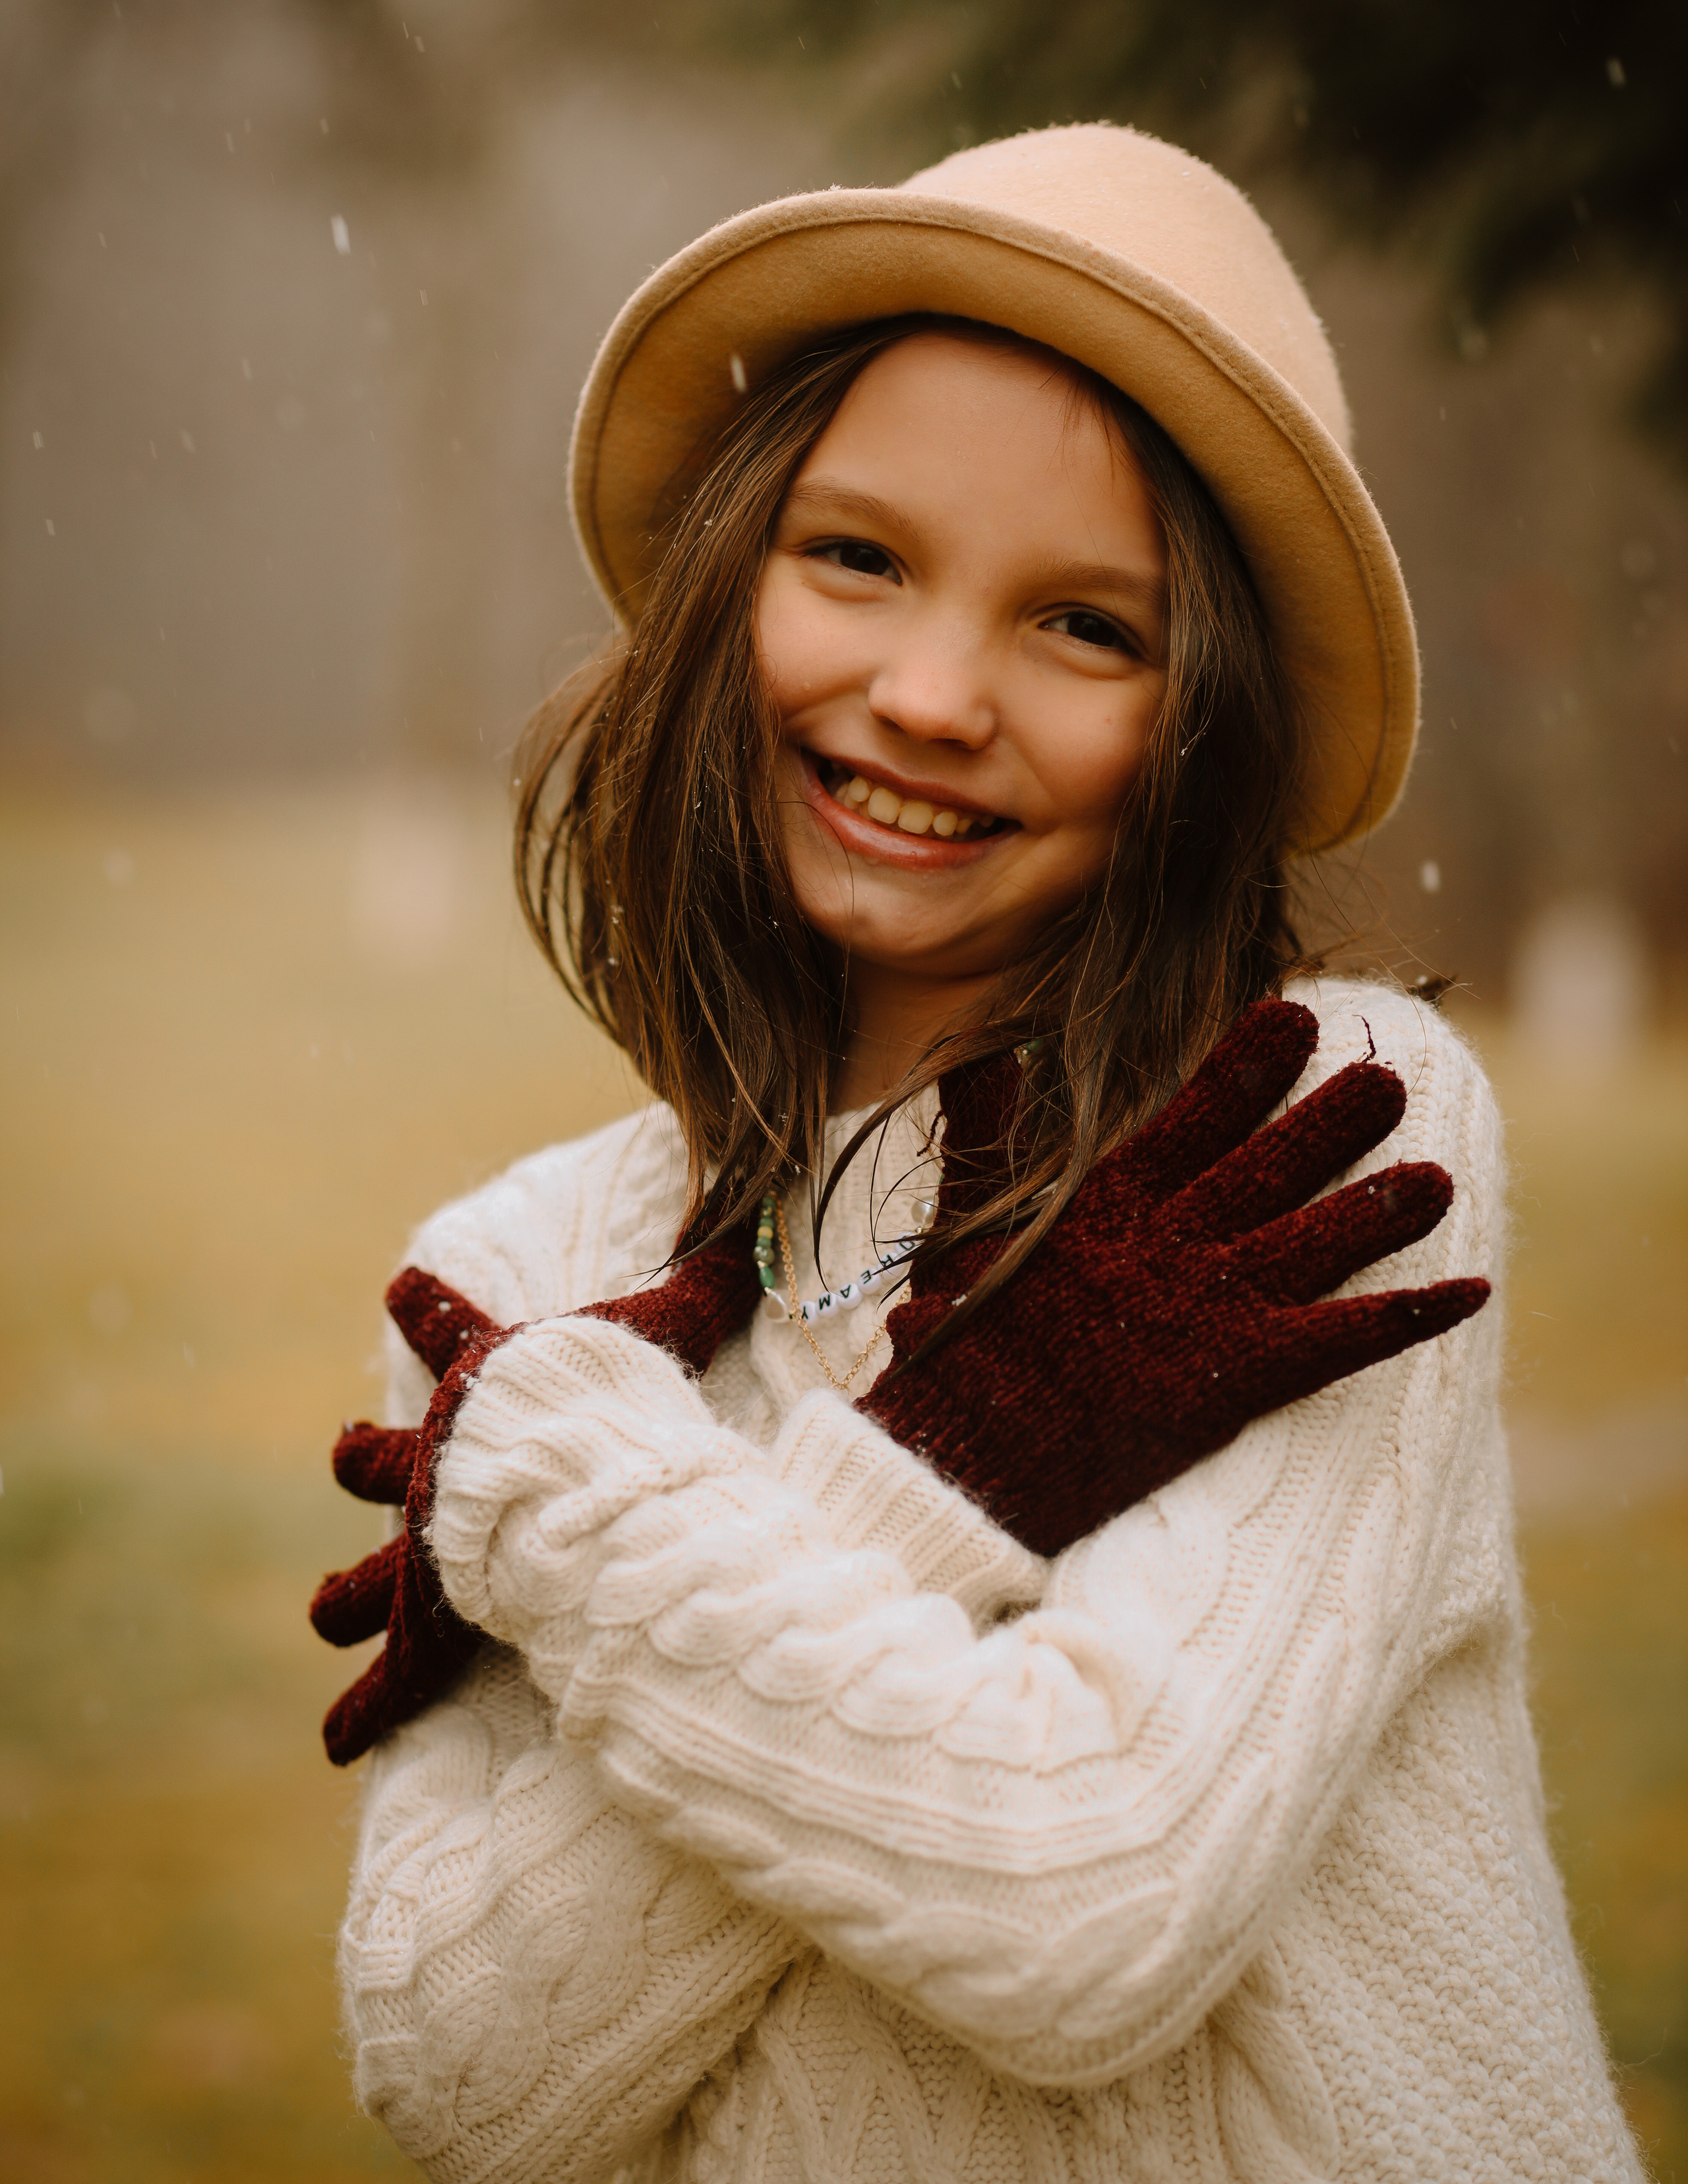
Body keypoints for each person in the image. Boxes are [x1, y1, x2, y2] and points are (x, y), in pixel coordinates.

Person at [311, 126, 1644, 2181]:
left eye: (1086, 629)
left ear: (1195, 721)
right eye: (857, 557)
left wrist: (571, 1515)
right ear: (726, 581)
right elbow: (467, 2082)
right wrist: (962, 1473)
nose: (930, 696)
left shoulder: (1311, 1135)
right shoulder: (518, 1275)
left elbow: (1084, 1909)